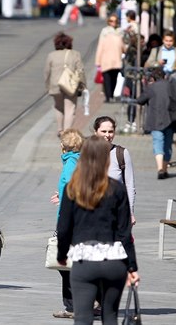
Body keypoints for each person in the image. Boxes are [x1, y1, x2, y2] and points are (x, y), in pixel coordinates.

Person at [56, 135, 139, 325]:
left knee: (83, 317)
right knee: (109, 316)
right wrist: (132, 267)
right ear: (106, 160)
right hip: (114, 262)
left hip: (85, 261)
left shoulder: (73, 188)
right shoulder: (117, 189)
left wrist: (62, 254)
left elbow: (64, 227)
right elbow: (125, 232)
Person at [50, 128, 84, 319]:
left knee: (66, 265)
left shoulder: (71, 163)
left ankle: (73, 306)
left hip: (70, 219)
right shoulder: (79, 161)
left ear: (63, 147)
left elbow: (73, 190)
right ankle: (74, 304)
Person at [93, 116, 136, 222]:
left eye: (110, 131)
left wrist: (130, 212)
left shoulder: (121, 153)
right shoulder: (88, 153)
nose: (107, 135)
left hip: (117, 211)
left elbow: (130, 186)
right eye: (103, 131)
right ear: (95, 132)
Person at [44, 32, 86, 136]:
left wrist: (47, 86)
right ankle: (67, 132)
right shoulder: (75, 54)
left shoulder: (51, 55)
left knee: (58, 107)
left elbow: (46, 72)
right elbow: (80, 71)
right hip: (70, 86)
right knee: (70, 108)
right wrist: (83, 86)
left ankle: (60, 130)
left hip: (55, 85)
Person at [137, 68, 174, 179]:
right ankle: (165, 168)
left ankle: (159, 168)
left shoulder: (151, 88)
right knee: (168, 145)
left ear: (153, 78)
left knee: (158, 143)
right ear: (165, 76)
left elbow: (140, 100)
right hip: (170, 119)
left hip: (155, 119)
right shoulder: (171, 86)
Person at [95, 16, 125, 103]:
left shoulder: (120, 32)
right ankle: (108, 97)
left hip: (116, 59)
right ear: (108, 22)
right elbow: (100, 46)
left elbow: (123, 46)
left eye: (115, 21)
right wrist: (98, 61)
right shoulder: (105, 32)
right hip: (106, 59)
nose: (113, 22)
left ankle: (111, 95)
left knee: (114, 78)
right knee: (107, 79)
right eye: (111, 21)